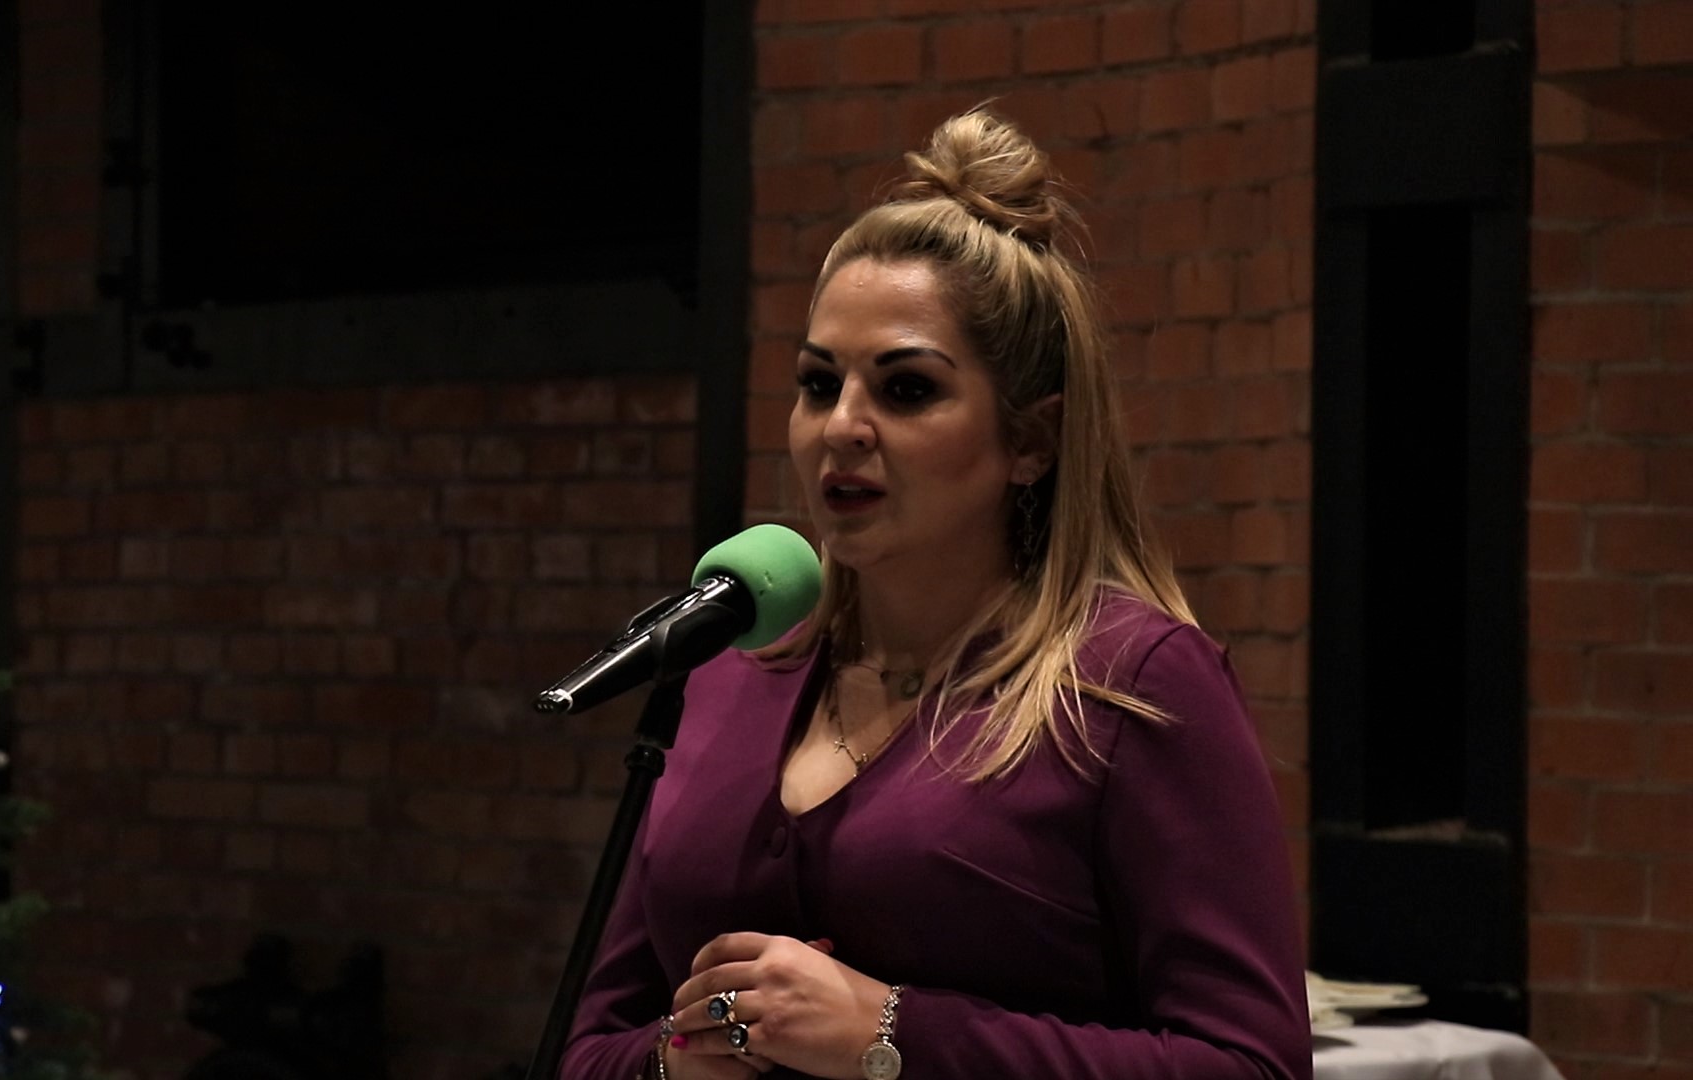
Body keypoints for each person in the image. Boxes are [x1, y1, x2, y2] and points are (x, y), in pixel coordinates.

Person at [557, 106, 1310, 1080]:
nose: (842, 426)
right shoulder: (728, 673)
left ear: (1031, 440)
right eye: (818, 384)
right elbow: (587, 1048)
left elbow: (1254, 1066)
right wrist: (672, 1063)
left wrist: (894, 1036)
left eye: (906, 389)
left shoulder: (1132, 685)